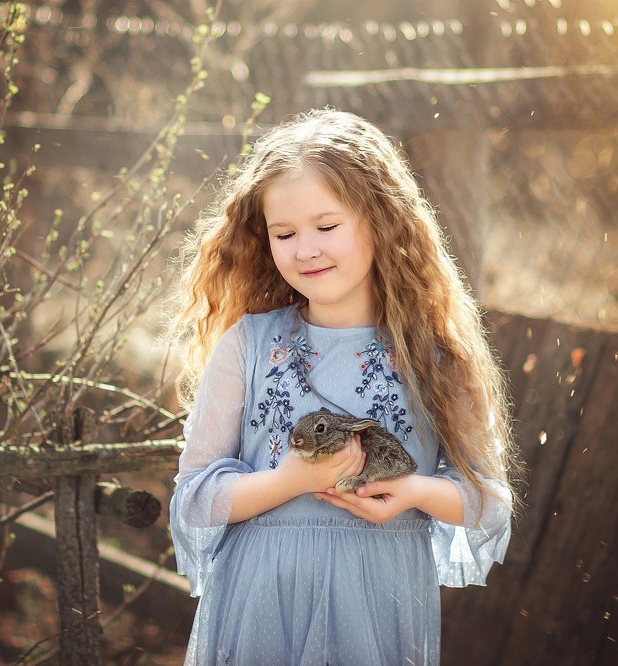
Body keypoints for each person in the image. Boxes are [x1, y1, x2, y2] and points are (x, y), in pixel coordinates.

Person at [168, 108, 518, 665]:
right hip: (261, 608)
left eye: (326, 227)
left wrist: (414, 493)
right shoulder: (249, 346)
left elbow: (486, 501)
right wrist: (289, 480)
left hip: (376, 610)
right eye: (285, 233)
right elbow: (193, 500)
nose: (305, 249)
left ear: (381, 221)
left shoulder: (435, 357)